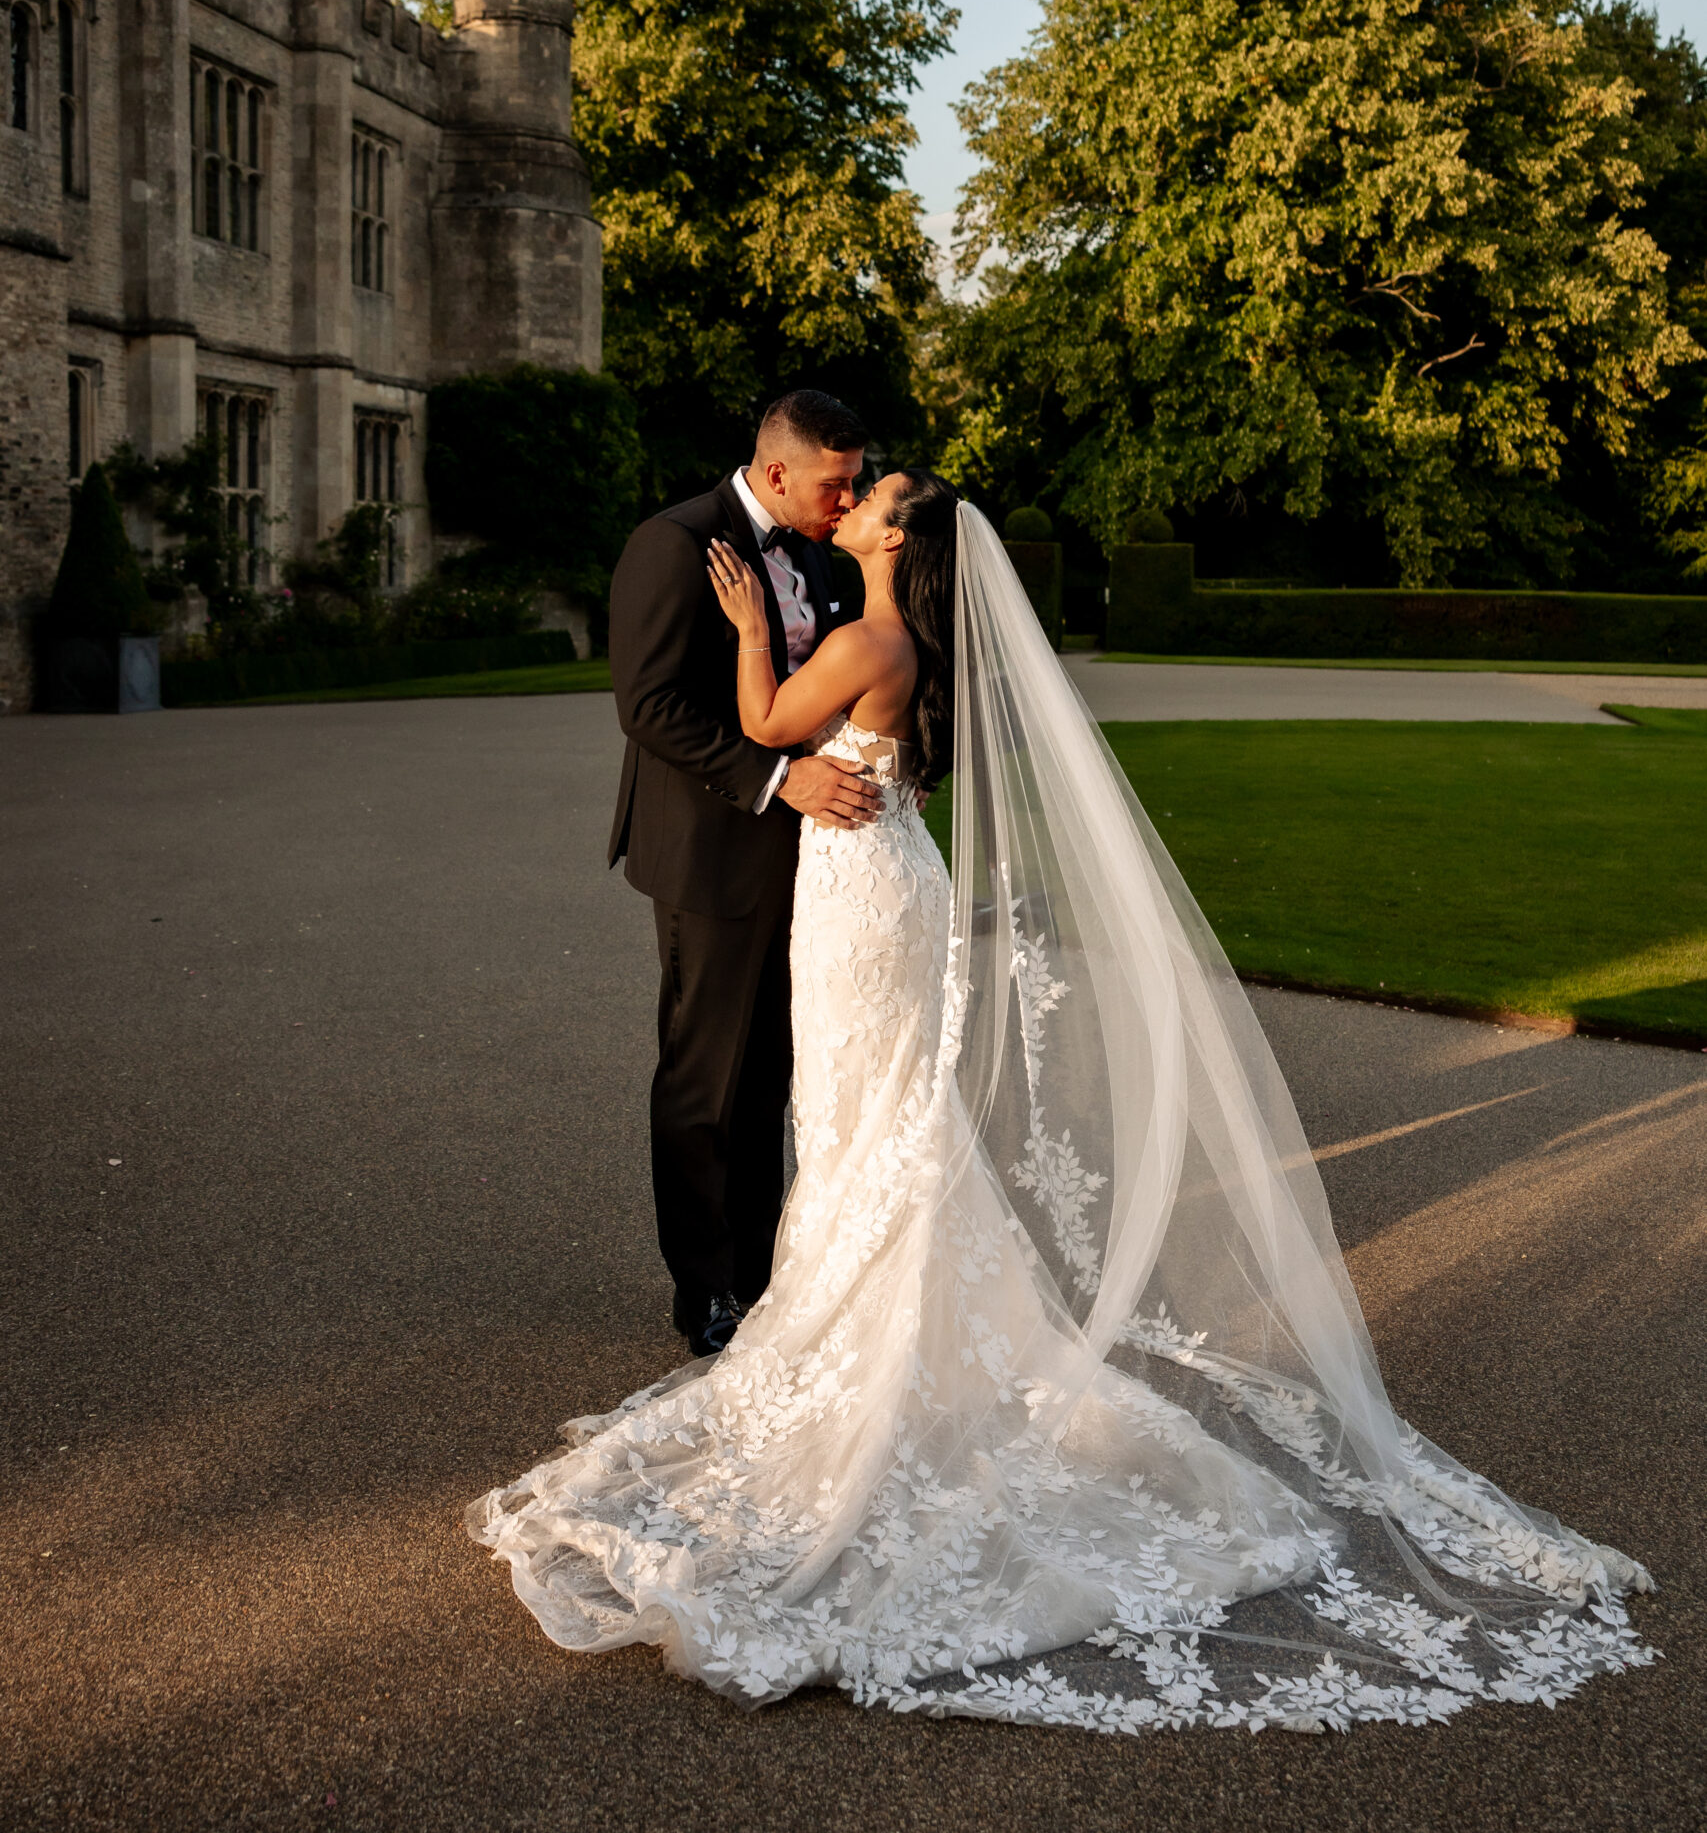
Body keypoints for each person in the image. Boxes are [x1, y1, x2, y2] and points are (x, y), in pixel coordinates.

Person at [471, 475, 1655, 1736]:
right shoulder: (923, 649)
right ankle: (895, 1310)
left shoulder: (869, 636)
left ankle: (868, 1330)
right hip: (895, 877)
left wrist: (755, 633)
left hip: (858, 896)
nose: (861, 499)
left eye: (875, 499)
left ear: (896, 541)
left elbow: (763, 721)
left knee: (862, 1116)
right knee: (891, 1114)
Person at [604, 390, 881, 1358]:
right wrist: (779, 776)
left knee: (768, 1071)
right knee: (705, 1076)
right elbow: (649, 705)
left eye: (855, 484)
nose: (848, 501)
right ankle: (706, 1289)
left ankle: (764, 1274)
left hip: (809, 851)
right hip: (711, 849)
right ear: (775, 473)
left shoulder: (815, 548)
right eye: (834, 484)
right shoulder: (673, 543)